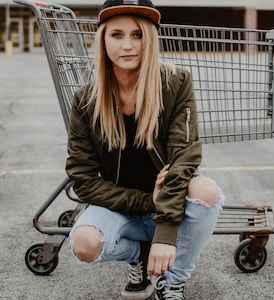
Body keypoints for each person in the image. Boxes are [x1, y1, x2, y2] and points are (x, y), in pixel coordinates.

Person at [66, 0, 225, 299]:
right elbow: (83, 179)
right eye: (117, 34)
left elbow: (185, 155)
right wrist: (145, 201)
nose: (128, 45)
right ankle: (139, 254)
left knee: (206, 191)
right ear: (102, 39)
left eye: (138, 34)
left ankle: (172, 280)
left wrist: (165, 230)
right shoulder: (86, 100)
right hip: (122, 206)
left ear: (150, 39)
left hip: (171, 203)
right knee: (84, 243)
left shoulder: (175, 82)